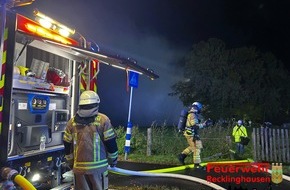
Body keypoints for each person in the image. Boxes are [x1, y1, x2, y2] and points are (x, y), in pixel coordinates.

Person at [63, 90, 118, 190]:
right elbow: (111, 144)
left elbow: (67, 145)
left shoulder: (72, 122)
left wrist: (71, 163)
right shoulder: (103, 120)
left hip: (79, 170)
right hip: (98, 170)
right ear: (96, 104)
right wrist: (113, 161)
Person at [177, 102, 207, 168]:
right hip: (191, 134)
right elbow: (195, 126)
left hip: (190, 133)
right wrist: (205, 125)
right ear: (197, 107)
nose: (200, 110)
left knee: (194, 146)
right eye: (200, 108)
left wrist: (204, 124)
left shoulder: (192, 114)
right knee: (197, 148)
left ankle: (182, 156)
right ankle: (197, 165)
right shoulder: (192, 115)